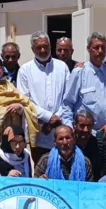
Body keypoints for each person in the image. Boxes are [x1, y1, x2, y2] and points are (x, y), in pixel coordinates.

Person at [60, 32, 106, 157]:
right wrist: (70, 130)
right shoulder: (79, 72)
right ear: (88, 49)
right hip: (86, 137)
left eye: (103, 48)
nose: (100, 51)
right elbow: (67, 103)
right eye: (96, 47)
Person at [17, 31, 70, 164]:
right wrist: (47, 117)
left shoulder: (62, 67)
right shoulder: (25, 70)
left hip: (61, 129)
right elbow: (25, 100)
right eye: (38, 47)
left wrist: (57, 117)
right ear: (32, 49)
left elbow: (69, 97)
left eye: (45, 46)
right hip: (39, 131)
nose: (42, 50)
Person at [72, 110, 106, 182]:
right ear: (74, 125)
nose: (86, 130)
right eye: (82, 126)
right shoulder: (69, 143)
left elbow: (104, 168)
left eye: (89, 126)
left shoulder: (99, 143)